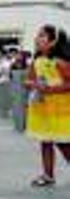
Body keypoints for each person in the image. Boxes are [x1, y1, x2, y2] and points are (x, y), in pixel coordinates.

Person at [25, 25, 70, 187]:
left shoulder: (59, 62)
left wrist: (51, 89)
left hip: (59, 108)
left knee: (63, 142)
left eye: (42, 35)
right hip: (42, 108)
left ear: (53, 41)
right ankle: (48, 174)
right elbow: (28, 79)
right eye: (37, 35)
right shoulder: (37, 61)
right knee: (45, 141)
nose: (37, 38)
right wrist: (33, 84)